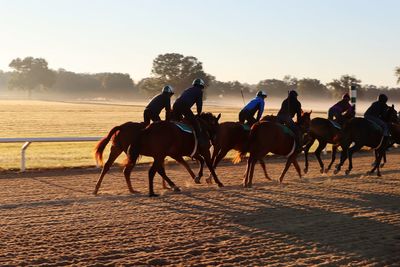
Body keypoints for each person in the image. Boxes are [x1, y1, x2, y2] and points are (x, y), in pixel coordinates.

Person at [172, 78, 207, 145]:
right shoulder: (199, 91)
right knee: (195, 122)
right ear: (201, 86)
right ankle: (199, 140)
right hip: (184, 106)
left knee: (176, 122)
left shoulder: (188, 89)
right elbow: (199, 104)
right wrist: (199, 114)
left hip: (175, 105)